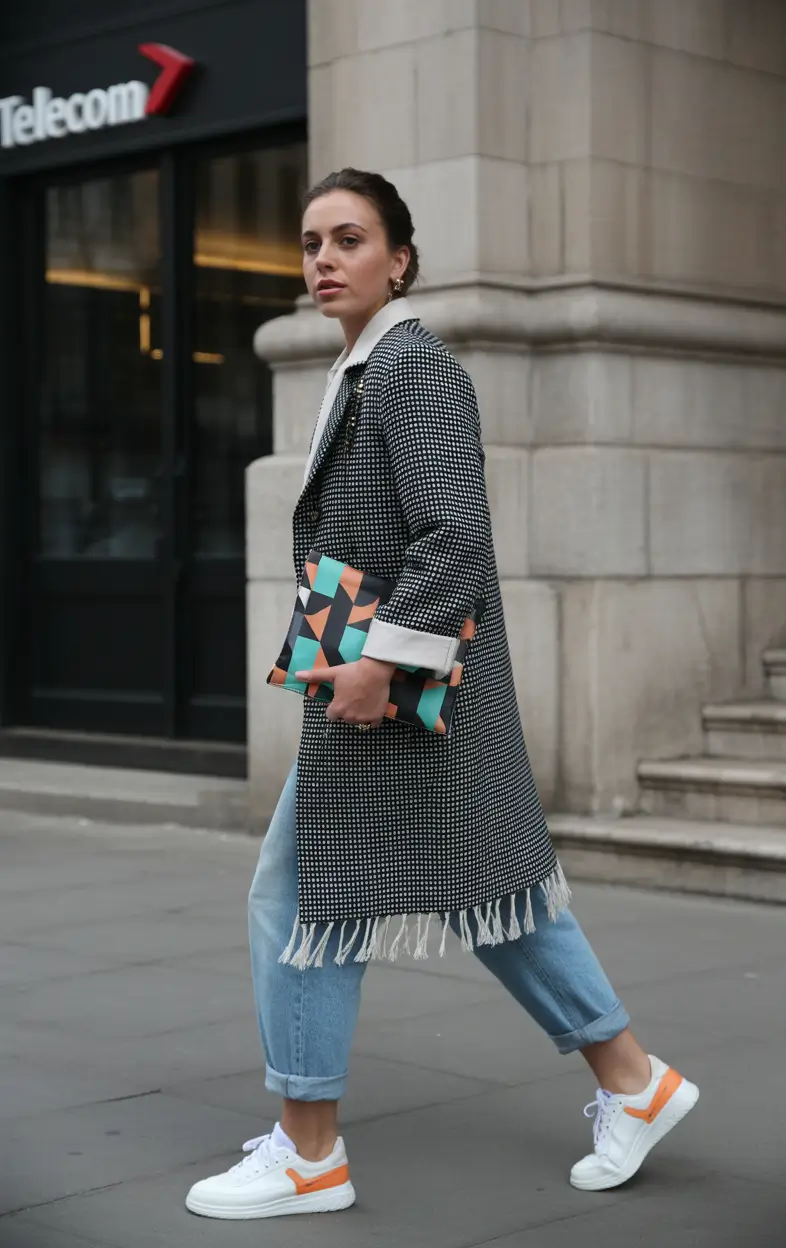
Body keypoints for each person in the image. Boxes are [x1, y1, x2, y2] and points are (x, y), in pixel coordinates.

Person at [185, 168, 699, 1222]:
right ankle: (633, 1082)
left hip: (398, 690)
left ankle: (309, 1151)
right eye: (310, 242)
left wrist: (381, 661)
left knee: (299, 901)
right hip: (415, 692)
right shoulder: (370, 370)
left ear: (399, 259)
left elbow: (454, 534)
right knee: (490, 892)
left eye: (349, 239)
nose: (322, 259)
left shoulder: (413, 369)